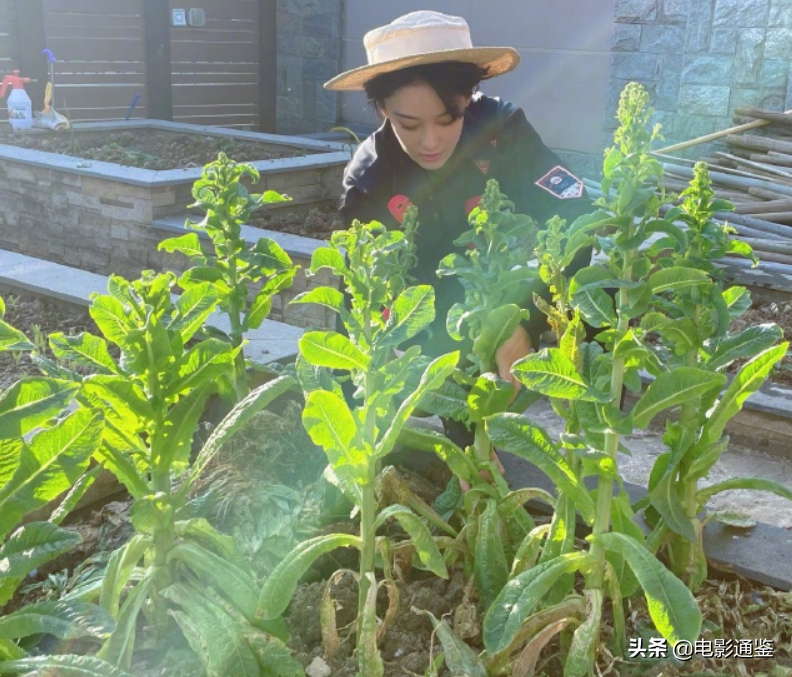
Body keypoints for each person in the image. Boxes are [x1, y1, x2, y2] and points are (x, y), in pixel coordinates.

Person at [324, 11, 592, 452]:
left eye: (447, 119)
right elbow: (366, 297)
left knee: (601, 303)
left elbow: (577, 217)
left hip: (508, 285)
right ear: (382, 109)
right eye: (409, 125)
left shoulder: (502, 131)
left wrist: (526, 317)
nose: (431, 141)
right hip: (432, 320)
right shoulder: (371, 182)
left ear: (468, 99)